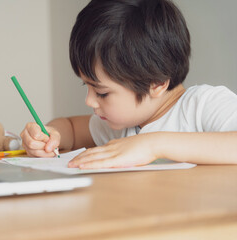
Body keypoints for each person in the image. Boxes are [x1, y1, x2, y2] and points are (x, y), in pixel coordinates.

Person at [20, 0, 237, 169]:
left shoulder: (202, 105)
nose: (89, 100)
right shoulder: (123, 125)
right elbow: (70, 128)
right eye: (86, 87)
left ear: (157, 83)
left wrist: (152, 145)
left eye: (102, 92)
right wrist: (49, 135)